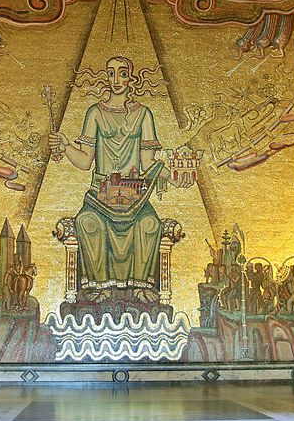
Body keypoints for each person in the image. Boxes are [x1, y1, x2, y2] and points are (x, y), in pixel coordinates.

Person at [48, 56, 194, 303]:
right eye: (111, 73)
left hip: (134, 197)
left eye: (122, 73)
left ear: (132, 78)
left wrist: (175, 177)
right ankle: (99, 287)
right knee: (87, 222)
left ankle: (141, 287)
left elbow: (148, 163)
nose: (117, 79)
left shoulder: (143, 114)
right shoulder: (95, 112)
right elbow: (85, 161)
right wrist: (65, 145)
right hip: (100, 196)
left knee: (149, 225)